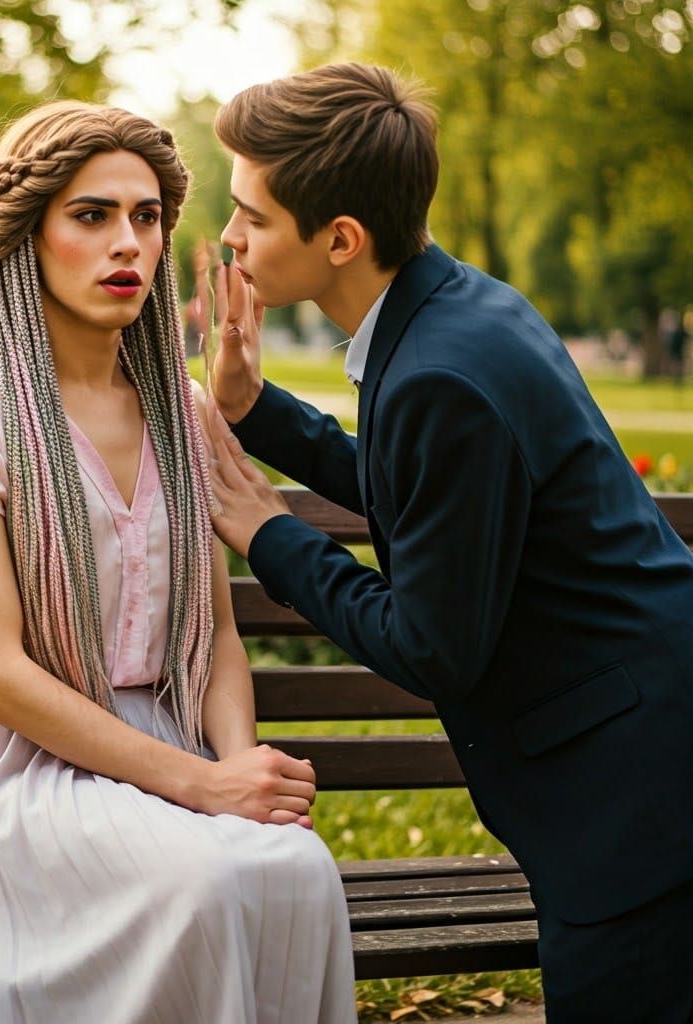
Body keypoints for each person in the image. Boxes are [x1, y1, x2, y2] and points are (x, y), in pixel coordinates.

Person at [202, 62, 693, 1023]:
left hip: (636, 800)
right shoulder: (453, 309)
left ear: (340, 238)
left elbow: (432, 645)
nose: (228, 238)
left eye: (250, 216)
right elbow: (423, 487)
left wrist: (269, 532)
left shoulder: (440, 369)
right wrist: (256, 411)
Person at [0, 100, 356, 1024]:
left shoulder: (180, 409)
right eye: (91, 216)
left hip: (172, 739)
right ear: (29, 237)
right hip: (14, 774)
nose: (126, 242)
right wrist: (203, 787)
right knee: (207, 888)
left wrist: (239, 765)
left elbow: (215, 631)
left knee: (298, 869)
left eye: (145, 217)